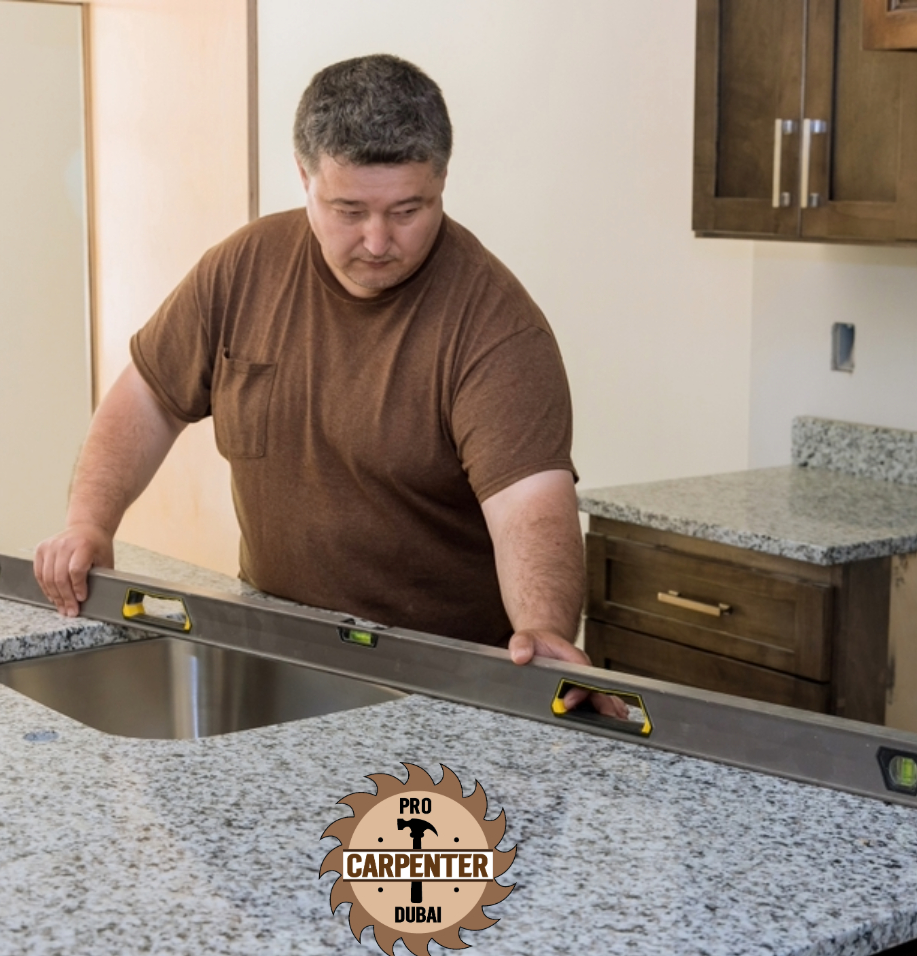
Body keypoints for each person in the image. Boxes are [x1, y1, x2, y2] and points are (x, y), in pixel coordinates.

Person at [33, 54, 622, 714]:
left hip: (438, 681)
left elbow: (531, 505)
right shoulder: (242, 269)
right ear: (304, 177)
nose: (377, 241)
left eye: (408, 209)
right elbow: (145, 398)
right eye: (349, 210)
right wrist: (89, 523)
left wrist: (541, 629)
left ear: (443, 181)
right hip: (274, 648)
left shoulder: (495, 325)